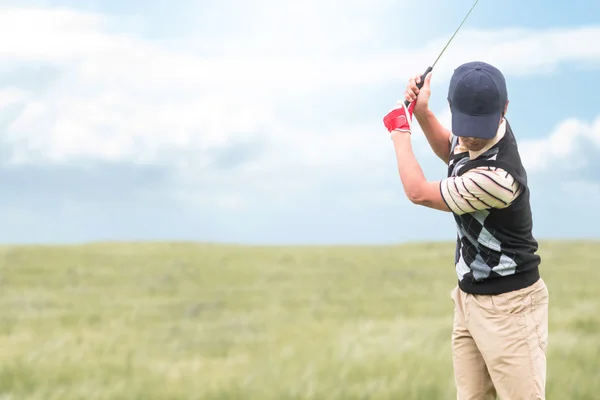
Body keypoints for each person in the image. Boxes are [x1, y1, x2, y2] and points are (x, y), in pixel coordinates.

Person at [382, 61, 549, 400]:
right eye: (465, 124)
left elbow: (417, 191)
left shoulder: (497, 179)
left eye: (480, 127)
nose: (470, 135)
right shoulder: (480, 128)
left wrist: (400, 132)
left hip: (510, 309)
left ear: (504, 110)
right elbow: (452, 151)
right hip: (468, 299)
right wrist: (423, 112)